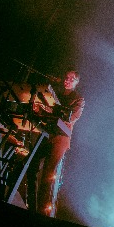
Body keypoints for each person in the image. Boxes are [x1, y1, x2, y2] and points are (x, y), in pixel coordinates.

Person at [25, 70, 85, 217]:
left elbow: (71, 117)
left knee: (47, 175)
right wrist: (39, 109)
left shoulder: (78, 99)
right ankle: (32, 205)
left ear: (77, 82)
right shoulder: (54, 93)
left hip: (60, 138)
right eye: (66, 77)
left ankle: (41, 214)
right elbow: (47, 112)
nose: (68, 80)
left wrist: (52, 108)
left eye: (72, 78)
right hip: (47, 134)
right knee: (30, 165)